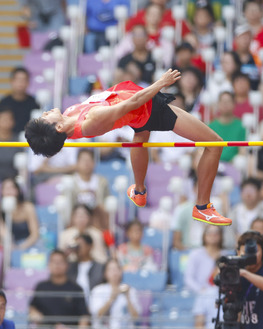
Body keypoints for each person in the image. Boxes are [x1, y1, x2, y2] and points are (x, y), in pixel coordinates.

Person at [24, 68, 232, 226]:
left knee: (140, 137)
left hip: (139, 111)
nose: (45, 113)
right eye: (44, 118)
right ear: (58, 127)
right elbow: (131, 104)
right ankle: (203, 206)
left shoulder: (68, 115)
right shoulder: (90, 121)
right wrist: (161, 83)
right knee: (215, 144)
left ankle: (139, 191)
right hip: (150, 110)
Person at [29, 250, 90, 329]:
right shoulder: (41, 287)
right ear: (49, 265)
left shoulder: (76, 288)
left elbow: (84, 315)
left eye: (60, 262)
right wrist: (34, 313)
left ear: (67, 265)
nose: (57, 265)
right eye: (54, 262)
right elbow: (32, 307)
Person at [88, 260, 140, 329]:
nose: (114, 272)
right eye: (111, 269)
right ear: (105, 273)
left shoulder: (131, 290)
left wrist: (128, 297)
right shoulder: (98, 290)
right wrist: (111, 298)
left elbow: (136, 317)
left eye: (117, 269)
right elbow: (97, 315)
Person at [0, 67, 40, 136]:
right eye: (18, 80)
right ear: (12, 81)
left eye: (24, 80)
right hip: (8, 141)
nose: (20, 83)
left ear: (28, 82)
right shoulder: (4, 102)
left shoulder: (34, 103)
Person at [0, 177, 39, 251]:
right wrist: (10, 245)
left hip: (30, 244)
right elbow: (2, 232)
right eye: (5, 189)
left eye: (11, 188)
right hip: (12, 245)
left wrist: (21, 248)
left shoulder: (28, 207)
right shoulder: (0, 210)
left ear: (17, 190)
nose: (8, 191)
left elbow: (35, 234)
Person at [184, 225, 228, 293]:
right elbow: (188, 279)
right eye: (209, 232)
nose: (213, 235)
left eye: (216, 232)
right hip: (199, 295)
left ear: (221, 235)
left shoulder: (225, 255)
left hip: (219, 294)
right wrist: (201, 290)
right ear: (204, 235)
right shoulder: (195, 254)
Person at [209, 92, 245, 163]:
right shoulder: (210, 126)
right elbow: (202, 150)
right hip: (212, 164)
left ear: (234, 104)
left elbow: (242, 151)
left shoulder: (242, 126)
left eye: (228, 102)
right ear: (218, 104)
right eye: (223, 102)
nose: (225, 104)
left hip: (233, 165)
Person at [67, 234, 106, 299]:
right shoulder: (70, 267)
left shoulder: (100, 267)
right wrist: (66, 254)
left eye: (80, 245)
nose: (77, 248)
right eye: (76, 246)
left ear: (90, 246)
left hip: (94, 301)